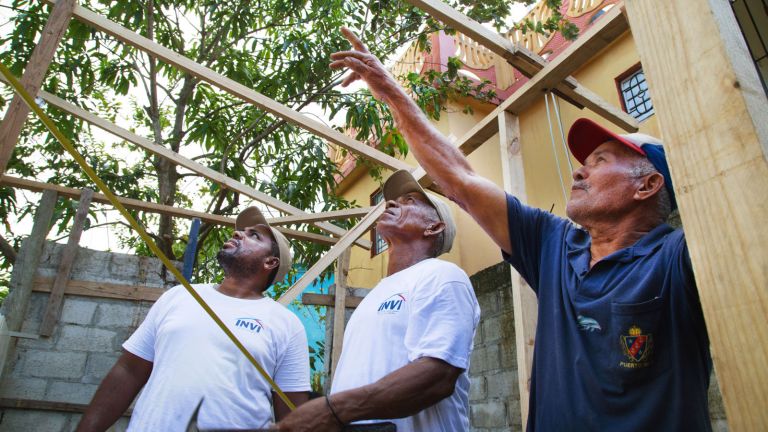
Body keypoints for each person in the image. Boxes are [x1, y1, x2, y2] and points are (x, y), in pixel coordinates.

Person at [318, 28, 713, 431]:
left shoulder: (683, 257)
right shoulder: (556, 246)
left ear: (647, 185)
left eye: (600, 160)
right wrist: (388, 89)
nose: (579, 169)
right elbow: (457, 177)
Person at [277, 169, 480, 431]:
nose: (392, 202)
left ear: (434, 227)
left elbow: (437, 376)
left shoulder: (443, 275)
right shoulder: (374, 296)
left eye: (410, 201)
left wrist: (332, 410)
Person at [77, 207, 310, 431]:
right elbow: (129, 371)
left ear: (270, 262)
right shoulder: (179, 296)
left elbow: (292, 413)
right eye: (241, 231)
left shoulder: (286, 324)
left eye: (254, 236)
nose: (238, 233)